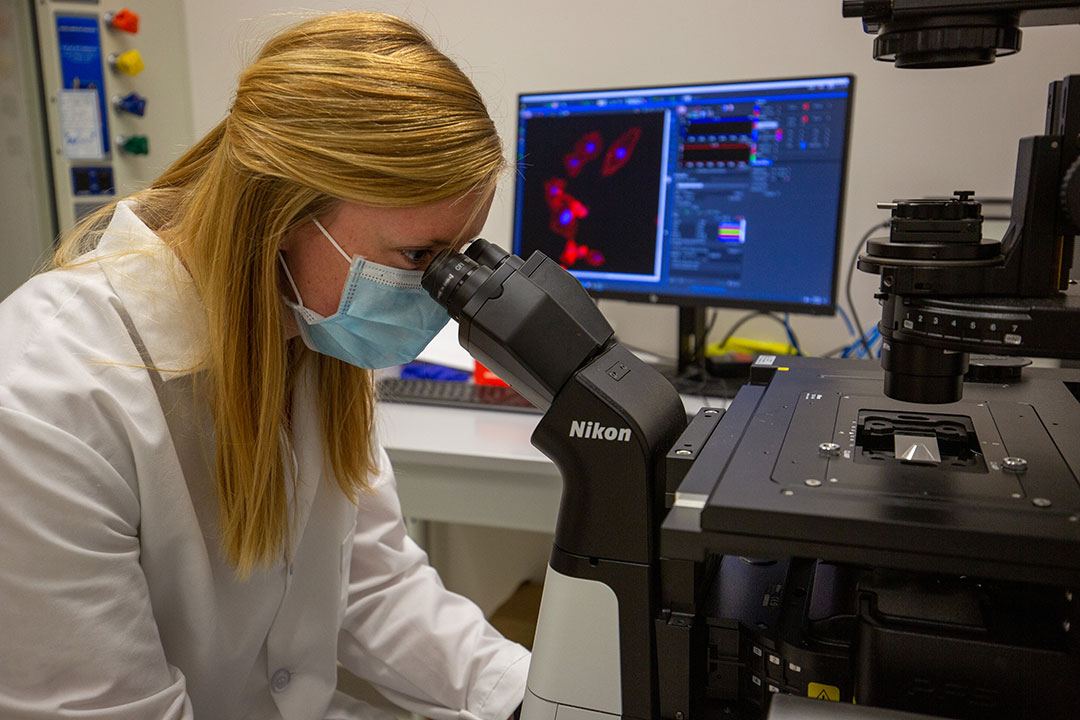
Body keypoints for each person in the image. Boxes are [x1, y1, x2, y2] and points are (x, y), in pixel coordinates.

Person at [0, 11, 528, 720]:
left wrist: (539, 699)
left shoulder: (312, 329)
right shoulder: (44, 402)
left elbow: (371, 583)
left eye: (459, 254)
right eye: (419, 257)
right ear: (283, 211)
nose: (438, 293)